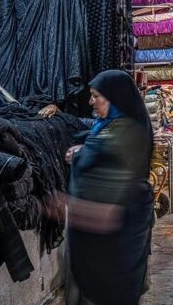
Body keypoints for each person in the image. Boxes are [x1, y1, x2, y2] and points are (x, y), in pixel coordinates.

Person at [64, 70, 154, 305]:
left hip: (117, 238)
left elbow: (111, 193)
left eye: (96, 96)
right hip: (109, 236)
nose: (91, 102)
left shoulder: (125, 132)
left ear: (115, 98)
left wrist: (67, 207)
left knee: (113, 290)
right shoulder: (109, 126)